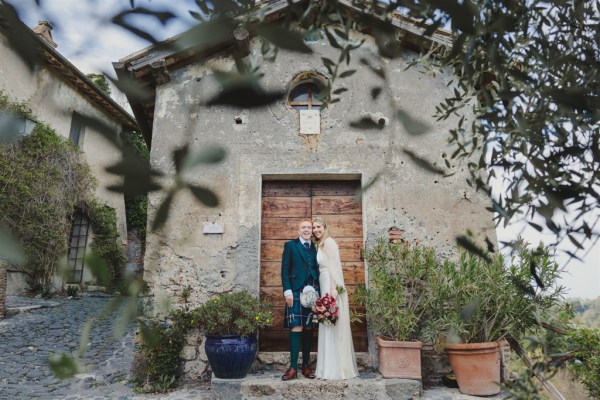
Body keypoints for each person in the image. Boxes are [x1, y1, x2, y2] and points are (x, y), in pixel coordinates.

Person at [312, 217, 358, 380]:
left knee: (333, 322)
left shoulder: (330, 243)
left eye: (318, 227)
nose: (316, 230)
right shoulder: (319, 244)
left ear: (325, 227)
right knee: (327, 324)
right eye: (314, 227)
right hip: (323, 282)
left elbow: (335, 268)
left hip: (330, 285)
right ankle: (326, 367)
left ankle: (337, 368)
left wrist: (333, 290)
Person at [280, 219, 319, 380]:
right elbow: (285, 269)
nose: (307, 230)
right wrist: (287, 291)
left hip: (313, 291)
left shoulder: (316, 247)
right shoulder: (290, 246)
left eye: (309, 227)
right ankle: (293, 368)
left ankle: (306, 366)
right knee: (296, 326)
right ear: (298, 230)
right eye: (304, 227)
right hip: (295, 291)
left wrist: (320, 294)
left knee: (309, 327)